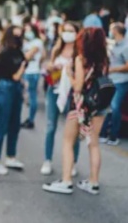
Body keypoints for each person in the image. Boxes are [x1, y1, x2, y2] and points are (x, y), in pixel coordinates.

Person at [43, 27, 109, 195]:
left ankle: (66, 181)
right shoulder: (104, 59)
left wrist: (69, 74)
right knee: (93, 144)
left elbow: (78, 86)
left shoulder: (81, 59)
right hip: (99, 105)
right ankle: (93, 182)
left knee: (68, 141)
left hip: (81, 106)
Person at [40, 22, 80, 176]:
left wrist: (69, 71)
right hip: (54, 90)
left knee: (73, 130)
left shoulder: (79, 52)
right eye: (66, 31)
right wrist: (50, 68)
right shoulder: (57, 49)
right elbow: (47, 66)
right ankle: (47, 160)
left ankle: (73, 162)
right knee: (50, 126)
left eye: (71, 31)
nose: (68, 34)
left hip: (72, 93)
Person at [0, 26, 26, 175]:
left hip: (15, 88)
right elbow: (16, 75)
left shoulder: (18, 52)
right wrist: (22, 68)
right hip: (6, 87)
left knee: (14, 124)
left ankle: (11, 156)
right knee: (2, 123)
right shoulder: (5, 53)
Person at [99, 23, 128, 146]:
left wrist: (113, 70)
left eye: (111, 29)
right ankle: (103, 133)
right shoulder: (114, 46)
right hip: (111, 80)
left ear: (116, 31)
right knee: (107, 107)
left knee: (114, 106)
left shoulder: (126, 46)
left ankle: (113, 135)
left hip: (121, 81)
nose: (110, 31)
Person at [21, 23, 44, 129]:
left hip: (32, 72)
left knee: (32, 96)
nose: (27, 32)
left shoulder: (37, 42)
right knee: (28, 95)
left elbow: (28, 55)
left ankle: (31, 119)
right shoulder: (27, 42)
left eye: (29, 30)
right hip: (27, 71)